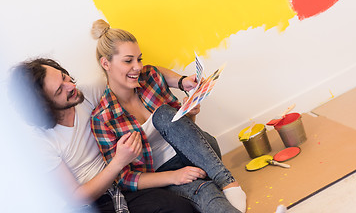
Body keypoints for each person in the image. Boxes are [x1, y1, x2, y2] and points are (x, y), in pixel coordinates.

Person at [90, 19, 247, 213]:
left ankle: (227, 181)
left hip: (198, 152)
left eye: (139, 59)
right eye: (128, 60)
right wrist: (175, 176)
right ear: (106, 63)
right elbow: (125, 179)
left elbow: (184, 129)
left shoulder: (151, 78)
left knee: (163, 114)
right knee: (205, 191)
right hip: (162, 176)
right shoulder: (103, 118)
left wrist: (189, 114)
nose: (138, 67)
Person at [8, 58, 196, 213]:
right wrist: (119, 161)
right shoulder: (39, 142)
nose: (70, 85)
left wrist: (181, 81)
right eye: (59, 90)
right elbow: (77, 198)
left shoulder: (86, 94)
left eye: (65, 77)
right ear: (43, 106)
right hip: (93, 202)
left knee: (180, 207)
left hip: (124, 181)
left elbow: (140, 72)